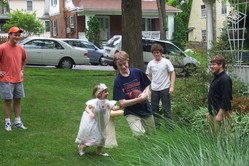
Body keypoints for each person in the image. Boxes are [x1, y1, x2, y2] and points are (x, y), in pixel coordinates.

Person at [113, 50, 156, 138]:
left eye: (125, 63)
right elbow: (123, 103)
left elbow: (147, 85)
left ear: (128, 61)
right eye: (120, 65)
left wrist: (146, 93)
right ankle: (144, 146)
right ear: (116, 65)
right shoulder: (118, 81)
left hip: (145, 109)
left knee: (152, 135)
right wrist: (139, 99)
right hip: (131, 112)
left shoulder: (137, 72)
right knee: (138, 134)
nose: (123, 66)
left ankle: (148, 150)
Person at [75, 83, 120, 157]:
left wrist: (121, 106)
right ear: (99, 94)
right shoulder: (94, 102)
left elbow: (113, 108)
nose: (107, 93)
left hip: (101, 122)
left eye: (107, 91)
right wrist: (90, 113)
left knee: (102, 136)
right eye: (105, 92)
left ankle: (99, 151)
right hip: (93, 122)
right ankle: (82, 147)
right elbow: (87, 108)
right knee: (93, 136)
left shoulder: (106, 102)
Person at [0, 26, 27, 131]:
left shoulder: (20, 48)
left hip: (18, 79)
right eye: (15, 35)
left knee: (18, 101)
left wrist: (22, 70)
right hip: (6, 80)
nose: (17, 37)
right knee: (7, 101)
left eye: (19, 35)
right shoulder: (2, 47)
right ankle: (7, 123)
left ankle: (17, 122)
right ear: (9, 35)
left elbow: (24, 60)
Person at [146, 43, 176, 130]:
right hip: (154, 89)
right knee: (154, 110)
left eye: (158, 52)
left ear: (161, 53)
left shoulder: (167, 62)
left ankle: (169, 128)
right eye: (154, 53)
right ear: (152, 53)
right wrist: (148, 88)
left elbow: (172, 73)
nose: (156, 54)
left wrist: (172, 86)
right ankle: (156, 127)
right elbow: (149, 76)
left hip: (165, 89)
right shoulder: (150, 64)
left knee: (166, 109)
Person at [207, 54, 233, 135]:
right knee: (213, 136)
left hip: (222, 114)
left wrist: (219, 115)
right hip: (213, 112)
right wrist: (209, 112)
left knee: (223, 138)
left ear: (221, 65)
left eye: (214, 64)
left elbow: (226, 99)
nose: (211, 66)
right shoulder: (217, 77)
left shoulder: (225, 79)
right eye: (211, 64)